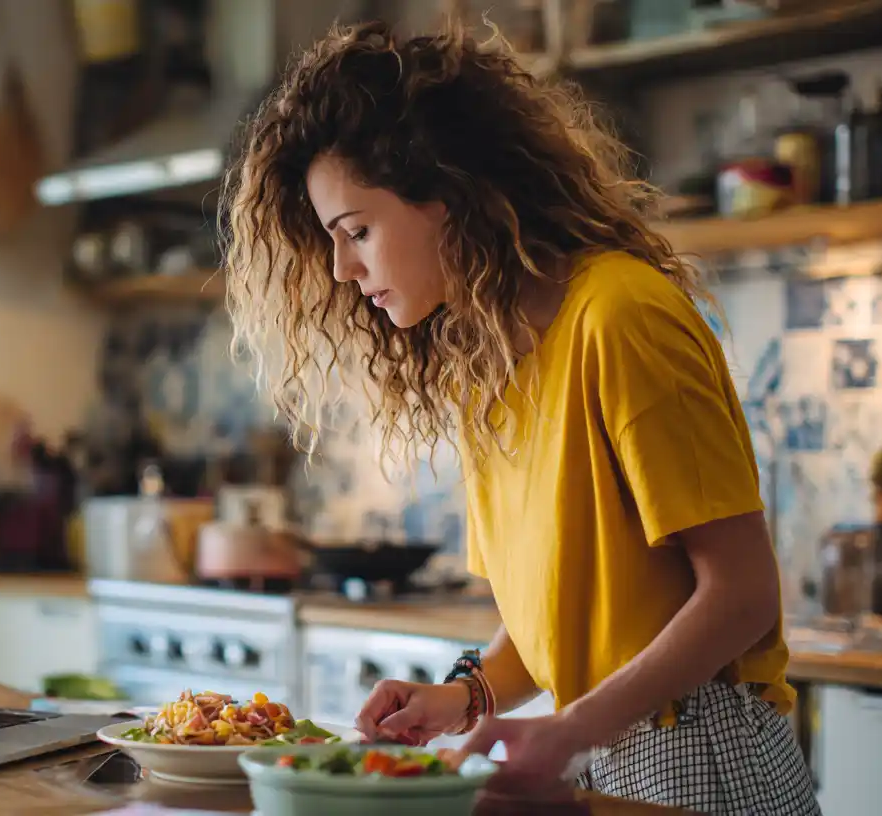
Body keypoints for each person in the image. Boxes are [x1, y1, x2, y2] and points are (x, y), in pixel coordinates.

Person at [218, 17, 819, 816]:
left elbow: (742, 593)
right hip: (607, 739)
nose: (342, 268)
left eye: (357, 231)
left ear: (448, 195)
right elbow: (556, 622)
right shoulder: (490, 362)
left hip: (701, 748)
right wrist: (462, 695)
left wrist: (571, 730)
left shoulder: (620, 316)